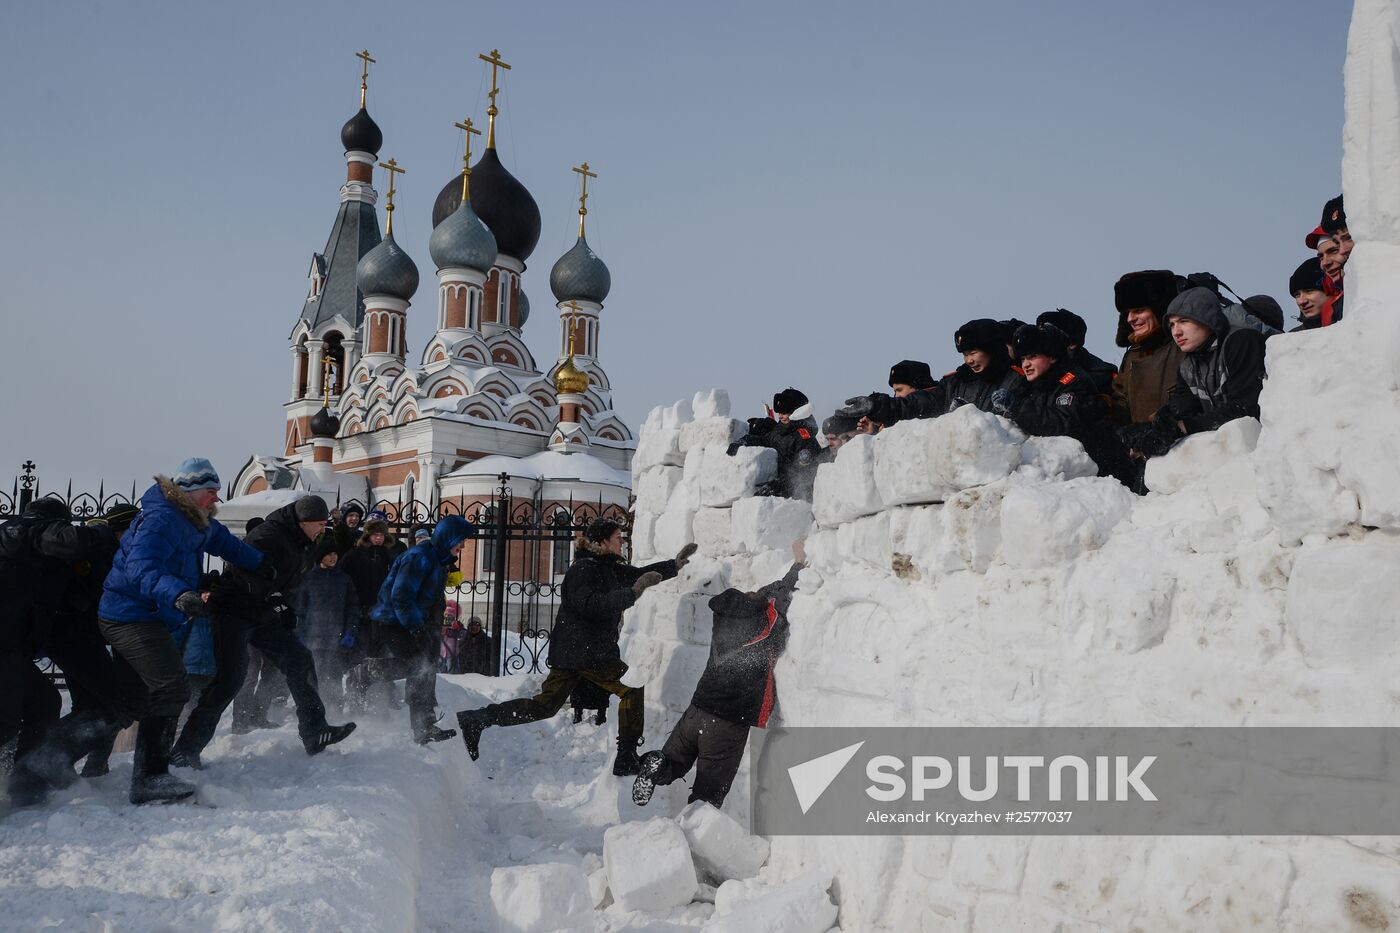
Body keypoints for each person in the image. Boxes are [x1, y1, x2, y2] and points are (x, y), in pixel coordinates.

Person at [456, 520, 695, 775]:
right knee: (631, 689)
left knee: (545, 705)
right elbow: (591, 603)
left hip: (579, 650)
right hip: (584, 650)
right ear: (602, 541)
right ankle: (626, 756)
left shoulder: (607, 567)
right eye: (617, 537)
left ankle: (478, 719)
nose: (622, 541)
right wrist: (634, 592)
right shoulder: (583, 569)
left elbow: (639, 574)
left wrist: (673, 565)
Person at [96, 460, 267, 804]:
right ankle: (149, 777)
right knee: (172, 686)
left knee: (129, 700)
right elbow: (141, 566)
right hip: (128, 615)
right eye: (211, 490)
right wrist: (178, 593)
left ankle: (49, 760)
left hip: (149, 616)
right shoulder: (161, 519)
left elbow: (228, 546)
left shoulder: (196, 521)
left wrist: (265, 563)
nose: (216, 496)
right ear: (190, 491)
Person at [172, 495, 356, 768]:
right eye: (319, 524)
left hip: (261, 613)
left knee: (299, 659)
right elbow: (242, 568)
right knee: (230, 680)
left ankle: (315, 731)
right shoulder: (267, 534)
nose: (322, 530)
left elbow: (286, 580)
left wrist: (285, 604)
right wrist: (273, 596)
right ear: (303, 521)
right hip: (234, 611)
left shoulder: (298, 541)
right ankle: (185, 752)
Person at [634, 543, 805, 809]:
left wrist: (768, 590)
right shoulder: (761, 630)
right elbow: (780, 605)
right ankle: (693, 840)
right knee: (708, 794)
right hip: (726, 724)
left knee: (674, 761)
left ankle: (656, 766)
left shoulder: (725, 622)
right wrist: (797, 566)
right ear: (755, 610)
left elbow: (764, 596)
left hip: (696, 711)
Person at [1, 498, 124, 805]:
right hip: (3, 644)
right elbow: (67, 541)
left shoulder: (29, 553)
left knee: (44, 703)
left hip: (12, 643)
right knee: (5, 718)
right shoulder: (25, 531)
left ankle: (24, 783)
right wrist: (106, 533)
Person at [353, 516, 476, 745]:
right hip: (396, 621)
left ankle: (425, 727)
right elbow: (401, 597)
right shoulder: (419, 557)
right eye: (461, 540)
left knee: (426, 669)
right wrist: (415, 627)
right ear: (449, 538)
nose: (463, 546)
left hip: (422, 622)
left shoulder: (438, 559)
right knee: (417, 665)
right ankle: (369, 672)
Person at [989, 324, 1136, 487]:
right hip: (1053, 478)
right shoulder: (1027, 385)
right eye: (1023, 359)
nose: (1026, 364)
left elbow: (1061, 423)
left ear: (1052, 357)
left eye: (1032, 357)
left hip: (1097, 479)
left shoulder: (1074, 381)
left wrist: (1016, 407)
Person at [1130, 287, 1268, 457]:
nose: (1176, 331)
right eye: (1171, 324)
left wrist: (1184, 427)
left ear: (1208, 319)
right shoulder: (1188, 365)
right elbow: (1183, 406)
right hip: (1228, 454)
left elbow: (1246, 406)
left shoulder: (1242, 341)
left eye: (1184, 321)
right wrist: (1154, 427)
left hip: (1265, 450)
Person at [833, 318, 1020, 426]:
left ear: (992, 349)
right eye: (964, 354)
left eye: (973, 353)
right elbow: (918, 403)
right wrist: (878, 406)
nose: (968, 360)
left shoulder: (1015, 378)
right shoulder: (954, 383)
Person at [290, 536, 360, 714]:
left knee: (335, 675)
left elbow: (352, 607)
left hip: (337, 637)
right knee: (315, 675)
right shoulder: (309, 578)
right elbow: (300, 608)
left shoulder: (344, 579)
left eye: (335, 553)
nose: (333, 557)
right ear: (320, 556)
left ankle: (335, 709)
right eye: (328, 554)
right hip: (314, 637)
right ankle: (314, 711)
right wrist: (300, 631)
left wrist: (350, 631)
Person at [1109, 270, 1183, 429]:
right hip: (1144, 451)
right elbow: (1121, 401)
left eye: (1139, 310)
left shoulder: (1183, 347)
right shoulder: (1132, 355)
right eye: (1127, 313)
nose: (1130, 319)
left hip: (1186, 448)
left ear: (1160, 310)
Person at [339, 518, 398, 710]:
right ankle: (356, 697)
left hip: (383, 614)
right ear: (367, 536)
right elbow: (345, 583)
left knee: (383, 658)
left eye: (381, 535)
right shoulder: (354, 556)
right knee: (359, 657)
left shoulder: (390, 557)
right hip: (360, 614)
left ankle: (381, 700)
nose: (378, 538)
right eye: (375, 535)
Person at [728, 389, 822, 500]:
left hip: (798, 498)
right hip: (779, 484)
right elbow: (765, 440)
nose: (780, 416)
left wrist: (776, 488)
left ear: (797, 412)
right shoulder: (781, 429)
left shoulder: (806, 437)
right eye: (779, 413)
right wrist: (745, 440)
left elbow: (802, 475)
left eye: (784, 413)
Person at [1035, 309, 1119, 396]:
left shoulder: (1103, 376)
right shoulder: (1032, 370)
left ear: (1072, 344)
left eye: (1049, 337)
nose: (1041, 344)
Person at [1288, 257, 1340, 330]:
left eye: (1309, 291)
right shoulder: (1293, 337)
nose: (1301, 301)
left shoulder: (1353, 320)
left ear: (1330, 288)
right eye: (1297, 295)